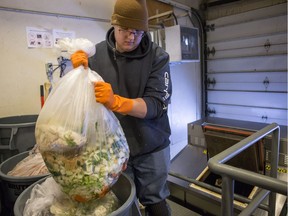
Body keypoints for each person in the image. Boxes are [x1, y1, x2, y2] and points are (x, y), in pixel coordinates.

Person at [71, 0, 172, 215]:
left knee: (156, 200)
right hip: (112, 148)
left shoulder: (158, 57)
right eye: (124, 29)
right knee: (123, 202)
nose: (131, 36)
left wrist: (116, 102)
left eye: (137, 31)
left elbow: (156, 104)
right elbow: (80, 98)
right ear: (114, 25)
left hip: (151, 144)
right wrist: (77, 72)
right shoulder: (96, 55)